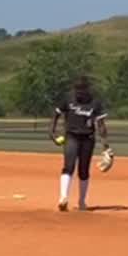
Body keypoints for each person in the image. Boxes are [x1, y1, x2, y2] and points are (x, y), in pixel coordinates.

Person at [48, 76, 108, 213]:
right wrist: (52, 131)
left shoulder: (95, 103)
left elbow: (101, 125)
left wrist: (105, 145)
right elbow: (56, 114)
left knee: (83, 170)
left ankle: (82, 201)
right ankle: (63, 198)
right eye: (77, 90)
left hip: (88, 137)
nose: (79, 93)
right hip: (71, 135)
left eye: (82, 90)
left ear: (87, 89)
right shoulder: (68, 99)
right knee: (68, 166)